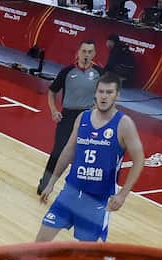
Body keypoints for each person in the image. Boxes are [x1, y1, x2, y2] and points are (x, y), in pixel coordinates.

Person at [9, 74, 146, 260]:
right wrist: (51, 182)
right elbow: (68, 150)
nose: (104, 96)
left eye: (109, 93)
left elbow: (139, 159)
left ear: (117, 96)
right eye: (101, 92)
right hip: (71, 191)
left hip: (97, 200)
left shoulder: (124, 124)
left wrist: (122, 194)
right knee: (42, 239)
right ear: (95, 93)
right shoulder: (83, 118)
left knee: (87, 250)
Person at [37, 41, 103, 197]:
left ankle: (81, 191)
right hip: (68, 116)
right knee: (58, 151)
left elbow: (107, 94)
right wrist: (54, 110)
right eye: (84, 51)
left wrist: (99, 109)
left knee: (86, 155)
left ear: (94, 54)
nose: (86, 55)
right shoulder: (67, 71)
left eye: (90, 52)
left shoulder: (100, 73)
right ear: (78, 52)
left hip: (88, 117)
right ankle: (45, 182)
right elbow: (52, 91)